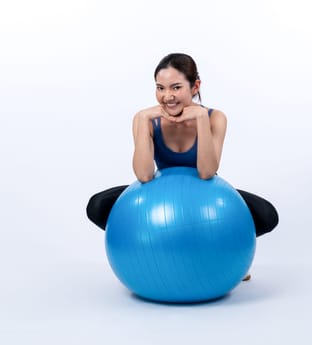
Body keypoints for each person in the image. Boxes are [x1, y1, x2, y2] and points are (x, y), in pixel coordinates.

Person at [87, 53, 279, 280]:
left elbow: (207, 172)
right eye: (160, 88)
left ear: (195, 86)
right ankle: (156, 257)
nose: (167, 96)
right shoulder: (146, 119)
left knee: (267, 215)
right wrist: (142, 120)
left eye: (176, 87)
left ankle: (227, 260)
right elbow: (144, 174)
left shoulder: (215, 118)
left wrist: (200, 119)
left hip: (204, 197)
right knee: (98, 206)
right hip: (159, 196)